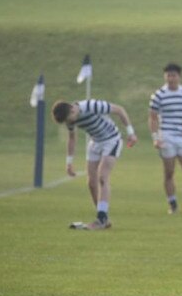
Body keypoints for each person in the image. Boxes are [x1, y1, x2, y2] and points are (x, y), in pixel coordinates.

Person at [51, 98, 137, 230]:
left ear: (72, 109)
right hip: (95, 143)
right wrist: (69, 162)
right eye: (67, 121)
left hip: (111, 139)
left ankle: (101, 219)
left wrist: (131, 133)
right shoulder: (69, 118)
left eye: (70, 119)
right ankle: (103, 217)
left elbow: (120, 110)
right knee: (91, 183)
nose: (70, 122)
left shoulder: (92, 106)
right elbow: (72, 138)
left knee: (103, 176)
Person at [148, 63, 182, 214]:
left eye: (173, 75)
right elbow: (152, 118)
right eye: (168, 75)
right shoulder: (159, 95)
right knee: (169, 173)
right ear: (164, 76)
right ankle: (172, 204)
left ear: (179, 76)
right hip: (166, 136)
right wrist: (155, 137)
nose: (171, 78)